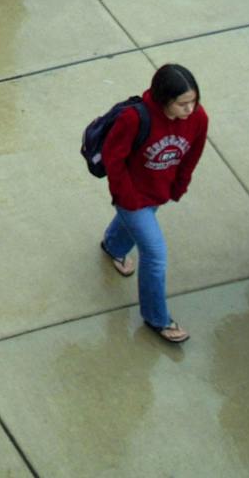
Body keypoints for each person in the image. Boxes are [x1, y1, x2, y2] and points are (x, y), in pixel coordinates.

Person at [98, 64, 209, 345]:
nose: (189, 109)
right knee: (155, 255)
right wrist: (128, 198)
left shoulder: (199, 118)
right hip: (133, 198)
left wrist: (179, 185)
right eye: (182, 103)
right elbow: (114, 160)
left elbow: (193, 153)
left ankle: (114, 245)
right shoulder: (134, 119)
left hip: (159, 191)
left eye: (193, 101)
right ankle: (157, 317)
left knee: (138, 232)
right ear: (163, 100)